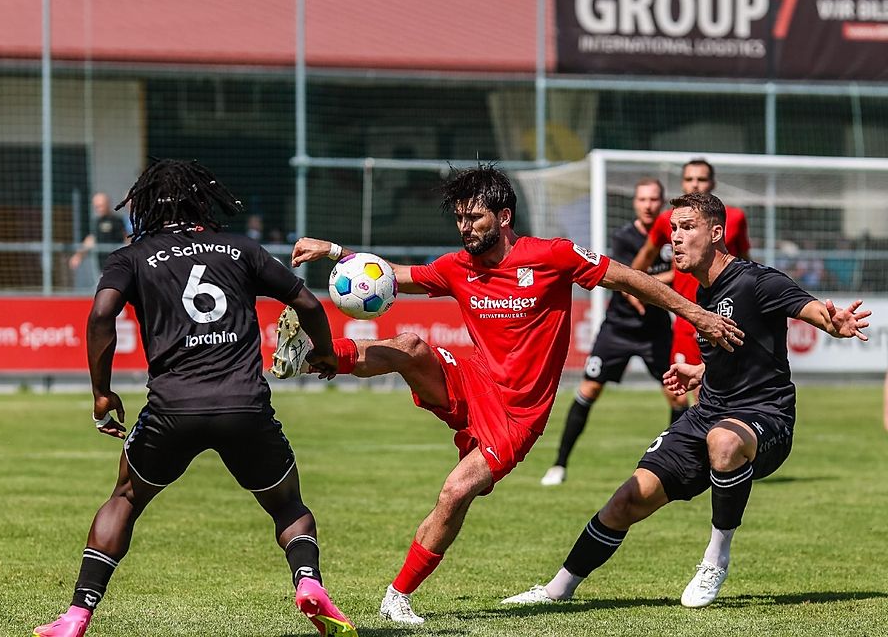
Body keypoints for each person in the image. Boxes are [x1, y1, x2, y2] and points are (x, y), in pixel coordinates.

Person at [270, 165, 744, 625]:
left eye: (473, 217)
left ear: (503, 217)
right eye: (459, 218)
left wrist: (694, 314)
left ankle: (397, 596)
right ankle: (314, 357)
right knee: (410, 347)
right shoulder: (458, 267)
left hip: (518, 415)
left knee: (456, 491)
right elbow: (392, 274)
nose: (465, 227)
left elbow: (626, 277)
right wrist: (333, 251)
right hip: (472, 381)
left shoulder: (552, 255)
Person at [34, 159, 357, 637]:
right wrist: (326, 355)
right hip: (244, 405)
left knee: (125, 497)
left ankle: (77, 614)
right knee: (289, 506)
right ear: (202, 200)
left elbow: (101, 315)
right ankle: (308, 583)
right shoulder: (240, 248)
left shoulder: (133, 255)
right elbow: (307, 302)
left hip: (171, 409)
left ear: (144, 206)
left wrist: (102, 393)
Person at [502, 191, 870, 610]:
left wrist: (832, 321)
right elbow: (739, 353)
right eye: (673, 229)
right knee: (627, 500)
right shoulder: (701, 293)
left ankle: (715, 558)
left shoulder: (755, 281)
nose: (675, 238)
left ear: (717, 233)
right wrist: (700, 372)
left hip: (766, 419)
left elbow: (807, 307)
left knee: (725, 442)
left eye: (687, 228)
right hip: (707, 414)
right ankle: (557, 589)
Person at [541, 177, 682, 487]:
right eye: (643, 199)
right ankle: (559, 464)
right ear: (635, 202)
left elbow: (666, 277)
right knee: (589, 390)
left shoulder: (674, 238)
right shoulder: (624, 238)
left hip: (656, 332)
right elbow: (630, 283)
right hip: (618, 328)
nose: (649, 205)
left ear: (662, 203)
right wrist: (660, 283)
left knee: (676, 395)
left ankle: (676, 466)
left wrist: (654, 286)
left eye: (654, 199)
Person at [630, 160, 751, 398]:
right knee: (676, 393)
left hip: (723, 316)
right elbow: (642, 260)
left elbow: (746, 261)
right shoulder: (667, 220)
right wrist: (633, 290)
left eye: (701, 179)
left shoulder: (734, 218)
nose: (695, 184)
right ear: (682, 183)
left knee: (709, 395)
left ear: (713, 183)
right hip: (686, 321)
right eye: (689, 179)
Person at [69, 192, 130, 272]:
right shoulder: (96, 222)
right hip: (102, 265)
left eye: (100, 206)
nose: (98, 209)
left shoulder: (117, 221)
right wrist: (78, 256)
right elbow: (91, 239)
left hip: (117, 264)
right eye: (96, 206)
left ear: (107, 204)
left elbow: (127, 238)